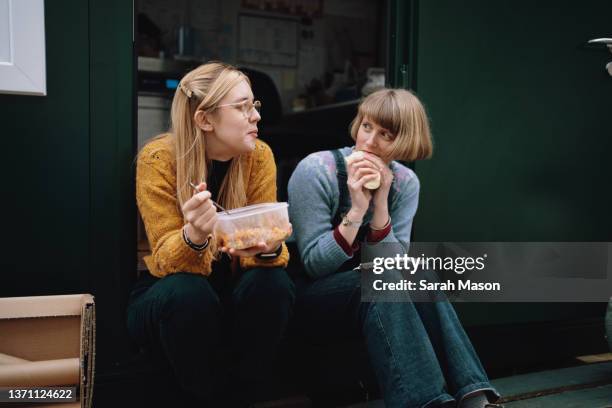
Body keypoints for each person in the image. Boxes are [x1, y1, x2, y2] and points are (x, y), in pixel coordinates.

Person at [287, 88, 502, 408]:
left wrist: (381, 204)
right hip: (313, 300)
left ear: (404, 142)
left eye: (385, 134)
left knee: (416, 273)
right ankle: (427, 403)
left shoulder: (405, 183)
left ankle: (474, 397)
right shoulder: (317, 170)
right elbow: (315, 264)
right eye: (367, 127)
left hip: (374, 298)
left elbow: (396, 263)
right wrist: (357, 210)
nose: (370, 142)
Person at [127, 62, 295, 407]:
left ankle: (246, 394)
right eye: (242, 107)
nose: (256, 117)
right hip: (166, 293)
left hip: (233, 284)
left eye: (255, 106)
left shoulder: (259, 156)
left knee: (273, 284)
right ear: (205, 120)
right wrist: (194, 236)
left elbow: (268, 245)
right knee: (189, 293)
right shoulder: (159, 159)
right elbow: (163, 261)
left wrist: (267, 248)